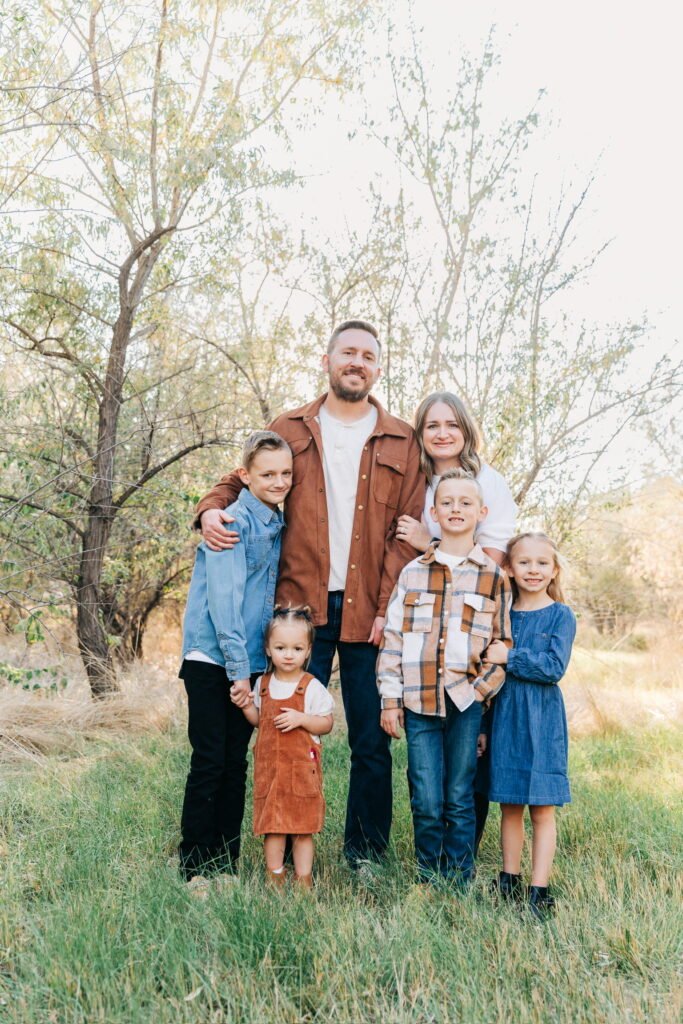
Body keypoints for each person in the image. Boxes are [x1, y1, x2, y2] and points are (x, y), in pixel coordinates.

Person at [195, 320, 424, 868]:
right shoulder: (290, 427)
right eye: (348, 352)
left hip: (369, 609)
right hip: (297, 611)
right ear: (327, 360)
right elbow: (240, 477)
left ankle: (365, 856)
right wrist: (208, 510)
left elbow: (407, 534)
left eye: (368, 355)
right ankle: (282, 850)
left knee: (370, 741)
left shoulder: (402, 440)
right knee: (281, 731)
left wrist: (386, 607)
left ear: (378, 368)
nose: (357, 362)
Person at [394, 390, 518, 852]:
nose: (443, 433)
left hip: (471, 639)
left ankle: (462, 858)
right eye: (432, 425)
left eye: (452, 424)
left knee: (465, 773)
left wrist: (427, 541)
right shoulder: (416, 479)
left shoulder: (487, 481)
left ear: (466, 429)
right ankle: (433, 863)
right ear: (420, 433)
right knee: (428, 787)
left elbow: (487, 563)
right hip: (424, 648)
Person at [377, 469, 512, 885]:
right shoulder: (412, 573)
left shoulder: (493, 577)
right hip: (418, 702)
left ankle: (459, 878)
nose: (456, 509)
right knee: (426, 797)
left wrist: (479, 693)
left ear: (481, 513)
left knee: (458, 795)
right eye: (447, 502)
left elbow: (501, 645)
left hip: (465, 702)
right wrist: (390, 699)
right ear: (433, 514)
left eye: (465, 502)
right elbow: (394, 639)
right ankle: (429, 876)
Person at [177, 430, 292, 888]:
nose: (279, 482)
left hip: (247, 660)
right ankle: (194, 867)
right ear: (244, 475)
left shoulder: (274, 519)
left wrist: (251, 668)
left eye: (286, 473)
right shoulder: (230, 522)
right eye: (268, 474)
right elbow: (225, 605)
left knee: (236, 763)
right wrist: (239, 673)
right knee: (209, 760)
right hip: (211, 658)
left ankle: (224, 864)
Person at [484, 532, 576, 919]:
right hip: (505, 717)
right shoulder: (501, 613)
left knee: (541, 809)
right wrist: (482, 727)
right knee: (509, 806)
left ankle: (539, 890)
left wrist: (511, 657)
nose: (533, 570)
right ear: (509, 568)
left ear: (554, 570)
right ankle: (509, 879)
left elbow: (554, 668)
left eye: (542, 563)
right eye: (524, 562)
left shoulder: (561, 615)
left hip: (542, 721)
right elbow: (488, 673)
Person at [238, 607, 334, 888]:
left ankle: (304, 880)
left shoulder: (311, 687)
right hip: (270, 774)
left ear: (308, 651)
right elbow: (261, 722)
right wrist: (246, 706)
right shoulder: (263, 684)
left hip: (301, 774)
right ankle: (275, 877)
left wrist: (302, 719)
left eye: (297, 648)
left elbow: (326, 723)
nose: (289, 655)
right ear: (268, 649)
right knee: (273, 828)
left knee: (303, 829)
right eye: (281, 648)